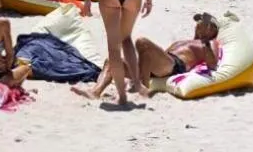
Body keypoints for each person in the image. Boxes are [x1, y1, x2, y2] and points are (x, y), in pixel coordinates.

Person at [79, 12, 223, 100]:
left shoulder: (210, 43)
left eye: (202, 23)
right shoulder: (185, 41)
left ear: (211, 30)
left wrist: (205, 42)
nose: (198, 24)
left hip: (174, 65)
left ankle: (143, 86)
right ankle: (95, 92)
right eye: (198, 22)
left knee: (142, 42)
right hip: (158, 64)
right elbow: (160, 54)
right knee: (111, 61)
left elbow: (212, 65)